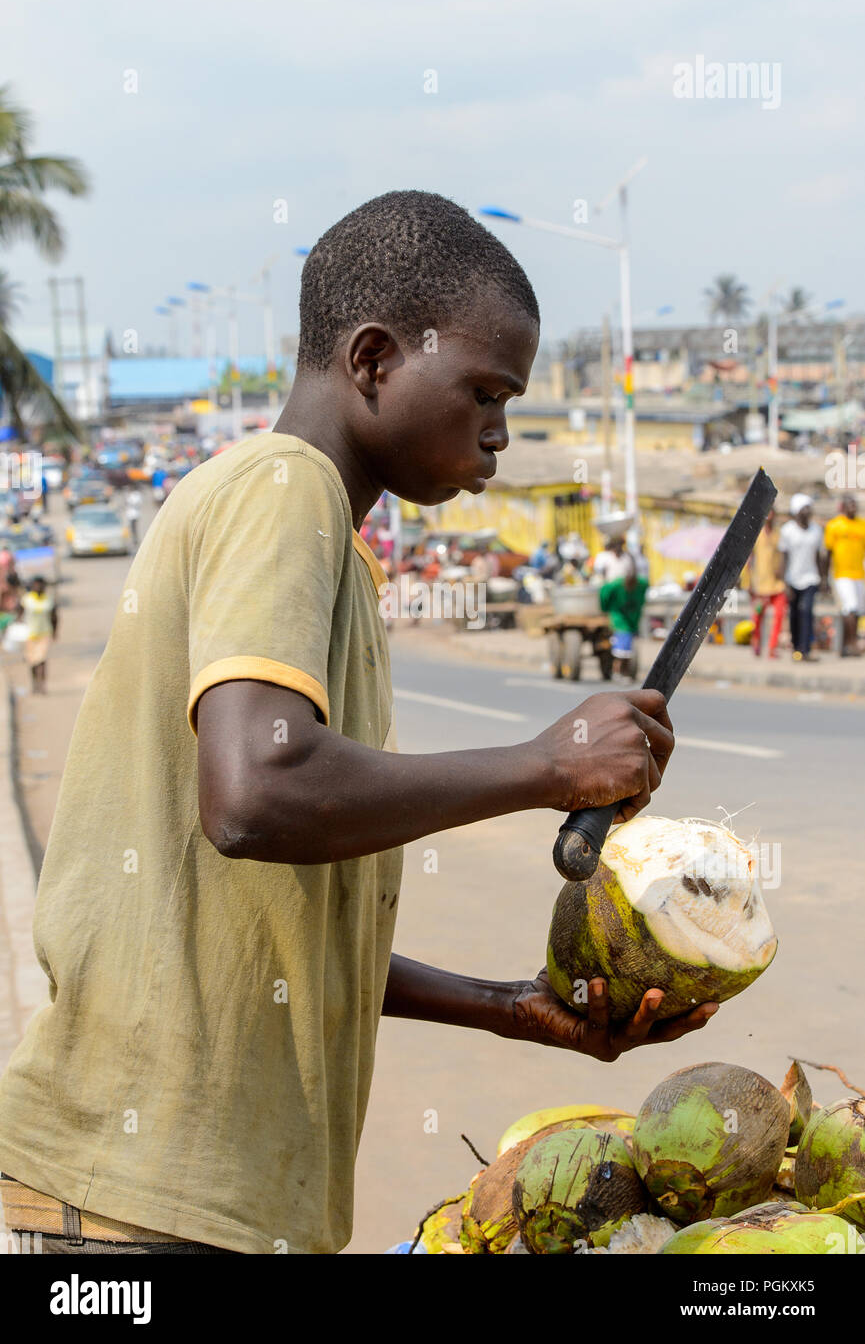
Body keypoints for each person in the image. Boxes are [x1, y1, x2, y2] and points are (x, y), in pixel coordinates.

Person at [0, 191, 715, 1257]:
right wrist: (545, 766)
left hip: (197, 1195)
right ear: (374, 359)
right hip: (144, 1199)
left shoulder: (331, 552)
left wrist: (509, 1007)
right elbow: (255, 796)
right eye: (483, 390)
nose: (499, 434)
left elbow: (277, 931)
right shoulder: (284, 488)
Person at [778, 493, 827, 663]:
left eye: (809, 508)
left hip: (811, 578)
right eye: (804, 508)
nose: (808, 511)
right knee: (794, 614)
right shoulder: (787, 530)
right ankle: (796, 647)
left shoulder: (816, 531)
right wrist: (784, 582)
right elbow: (784, 557)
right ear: (797, 511)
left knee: (807, 612)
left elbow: (820, 557)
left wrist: (824, 579)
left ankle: (805, 649)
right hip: (792, 579)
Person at [824, 495, 865, 657]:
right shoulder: (835, 526)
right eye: (850, 505)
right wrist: (824, 578)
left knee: (856, 610)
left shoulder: (862, 525)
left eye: (855, 505)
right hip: (841, 574)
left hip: (859, 574)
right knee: (850, 607)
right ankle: (853, 643)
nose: (853, 508)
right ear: (843, 507)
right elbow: (827, 553)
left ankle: (844, 647)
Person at [599, 556, 648, 678]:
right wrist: (605, 608)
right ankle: (618, 669)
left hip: (632, 620)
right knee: (621, 648)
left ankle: (624, 670)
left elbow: (642, 598)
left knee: (628, 648)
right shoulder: (616, 585)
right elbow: (604, 593)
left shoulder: (642, 584)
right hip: (619, 620)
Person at [748, 507, 786, 659]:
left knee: (779, 616)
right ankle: (756, 642)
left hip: (777, 584)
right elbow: (750, 559)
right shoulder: (756, 533)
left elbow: (784, 555)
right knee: (757, 617)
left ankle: (772, 648)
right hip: (760, 585)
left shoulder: (779, 534)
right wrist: (749, 582)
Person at [20, 575, 58, 694]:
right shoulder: (27, 599)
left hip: (44, 633)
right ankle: (34, 684)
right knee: (32, 661)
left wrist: (55, 632)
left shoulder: (49, 600)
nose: (38, 587)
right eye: (36, 584)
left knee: (41, 659)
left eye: (40, 584)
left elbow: (54, 617)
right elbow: (19, 614)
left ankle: (42, 685)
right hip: (30, 634)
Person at [124, 485, 143, 549]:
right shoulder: (130, 495)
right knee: (131, 528)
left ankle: (135, 540)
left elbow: (136, 503)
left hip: (134, 514)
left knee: (133, 528)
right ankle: (134, 540)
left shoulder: (136, 495)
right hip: (130, 514)